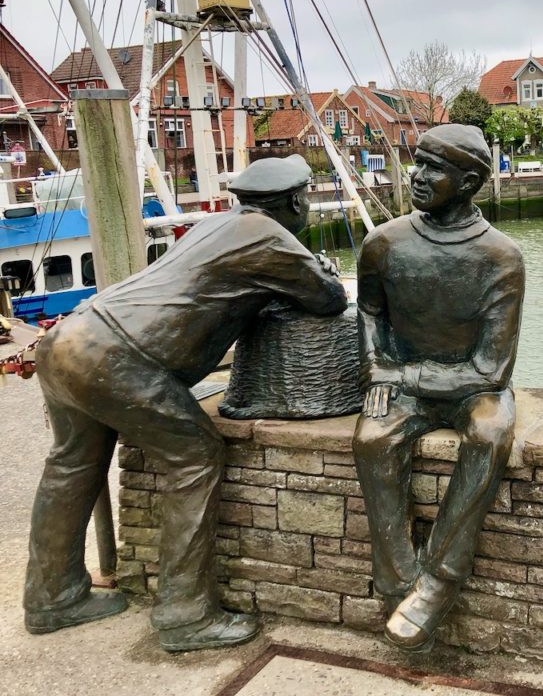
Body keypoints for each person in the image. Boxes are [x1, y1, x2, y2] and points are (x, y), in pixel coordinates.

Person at [24, 155, 347, 652]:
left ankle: (52, 597)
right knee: (195, 456)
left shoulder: (216, 224)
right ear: (299, 200)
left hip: (71, 338)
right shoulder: (271, 238)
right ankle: (184, 615)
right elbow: (329, 299)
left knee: (70, 466)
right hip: (121, 359)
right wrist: (316, 267)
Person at [353, 124, 525, 652]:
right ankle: (400, 583)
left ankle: (440, 581)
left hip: (473, 387)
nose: (417, 177)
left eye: (434, 168)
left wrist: (402, 376)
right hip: (400, 382)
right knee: (371, 439)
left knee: (491, 433)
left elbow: (492, 369)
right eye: (417, 163)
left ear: (470, 181)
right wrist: (378, 369)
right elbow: (369, 314)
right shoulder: (382, 243)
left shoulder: (501, 257)